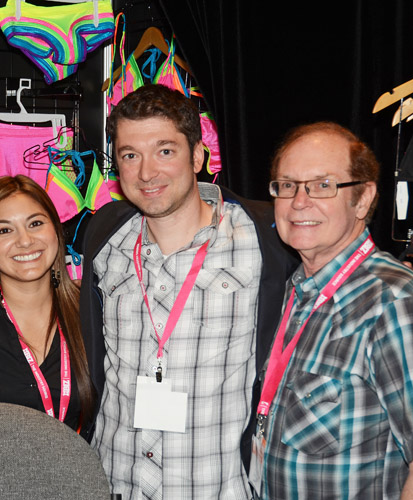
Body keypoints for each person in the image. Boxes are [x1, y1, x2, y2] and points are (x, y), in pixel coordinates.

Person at [79, 84, 298, 499]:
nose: (147, 173)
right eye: (130, 155)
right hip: (116, 483)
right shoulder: (105, 238)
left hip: (216, 487)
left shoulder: (264, 237)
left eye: (165, 151)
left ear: (198, 156)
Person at [252, 122, 413, 499]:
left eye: (323, 185)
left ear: (363, 199)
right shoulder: (288, 291)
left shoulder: (396, 303)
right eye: (287, 185)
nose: (299, 201)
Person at [0, 175, 96, 434]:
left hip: (72, 460)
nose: (25, 240)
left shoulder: (91, 313)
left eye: (35, 223)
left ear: (56, 232)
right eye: (5, 230)